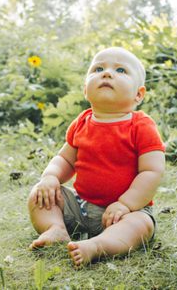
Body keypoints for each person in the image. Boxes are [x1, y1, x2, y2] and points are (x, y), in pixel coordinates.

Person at [28, 47, 166, 267]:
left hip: (125, 213)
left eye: (120, 70)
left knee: (141, 225)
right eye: (99, 68)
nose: (107, 73)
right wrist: (50, 177)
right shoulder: (82, 122)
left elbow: (152, 171)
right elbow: (65, 159)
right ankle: (56, 229)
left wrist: (125, 204)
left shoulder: (140, 125)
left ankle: (98, 246)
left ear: (138, 94)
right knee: (40, 193)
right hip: (81, 207)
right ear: (85, 90)